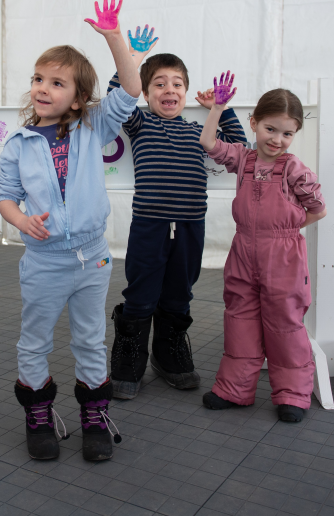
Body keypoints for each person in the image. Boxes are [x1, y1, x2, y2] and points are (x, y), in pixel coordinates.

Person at [0, 0, 141, 461]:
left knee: (89, 339)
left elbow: (132, 89)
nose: (43, 87)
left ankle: (93, 416)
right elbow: (5, 197)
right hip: (43, 262)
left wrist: (114, 38)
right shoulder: (17, 144)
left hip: (93, 258)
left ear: (78, 98)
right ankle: (37, 415)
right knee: (34, 340)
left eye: (57, 83)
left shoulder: (91, 127)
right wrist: (21, 221)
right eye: (38, 79)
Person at [105, 33, 248, 399]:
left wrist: (222, 107)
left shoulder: (199, 130)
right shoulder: (140, 124)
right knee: (141, 293)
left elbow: (240, 148)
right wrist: (133, 58)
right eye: (159, 84)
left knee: (179, 293)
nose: (169, 89)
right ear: (146, 93)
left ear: (186, 91)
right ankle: (129, 357)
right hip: (149, 225)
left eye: (177, 83)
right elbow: (115, 96)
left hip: (189, 226)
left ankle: (167, 354)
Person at [199, 80, 327, 422]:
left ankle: (293, 394)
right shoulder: (243, 158)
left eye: (287, 134)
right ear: (253, 122)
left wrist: (286, 231)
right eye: (270, 129)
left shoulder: (296, 169)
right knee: (239, 318)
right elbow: (208, 143)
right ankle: (234, 390)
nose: (277, 139)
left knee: (284, 322)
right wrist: (217, 108)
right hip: (243, 251)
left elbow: (318, 209)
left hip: (283, 257)